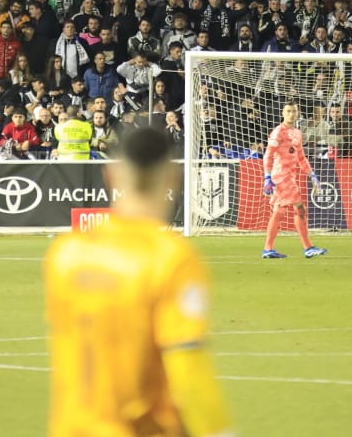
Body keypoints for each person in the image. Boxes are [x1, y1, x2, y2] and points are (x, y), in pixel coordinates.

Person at [43, 126, 234, 437]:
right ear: (173, 178)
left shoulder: (66, 254)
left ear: (110, 176)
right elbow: (187, 364)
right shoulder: (172, 258)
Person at [261, 101, 326, 259]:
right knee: (299, 207)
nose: (291, 114)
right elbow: (268, 155)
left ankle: (268, 249)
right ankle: (308, 247)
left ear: (298, 113)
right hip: (280, 175)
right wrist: (267, 177)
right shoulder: (278, 132)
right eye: (288, 111)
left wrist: (312, 175)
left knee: (279, 211)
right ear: (283, 113)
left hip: (290, 175)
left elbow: (301, 157)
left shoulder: (297, 133)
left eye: (294, 111)